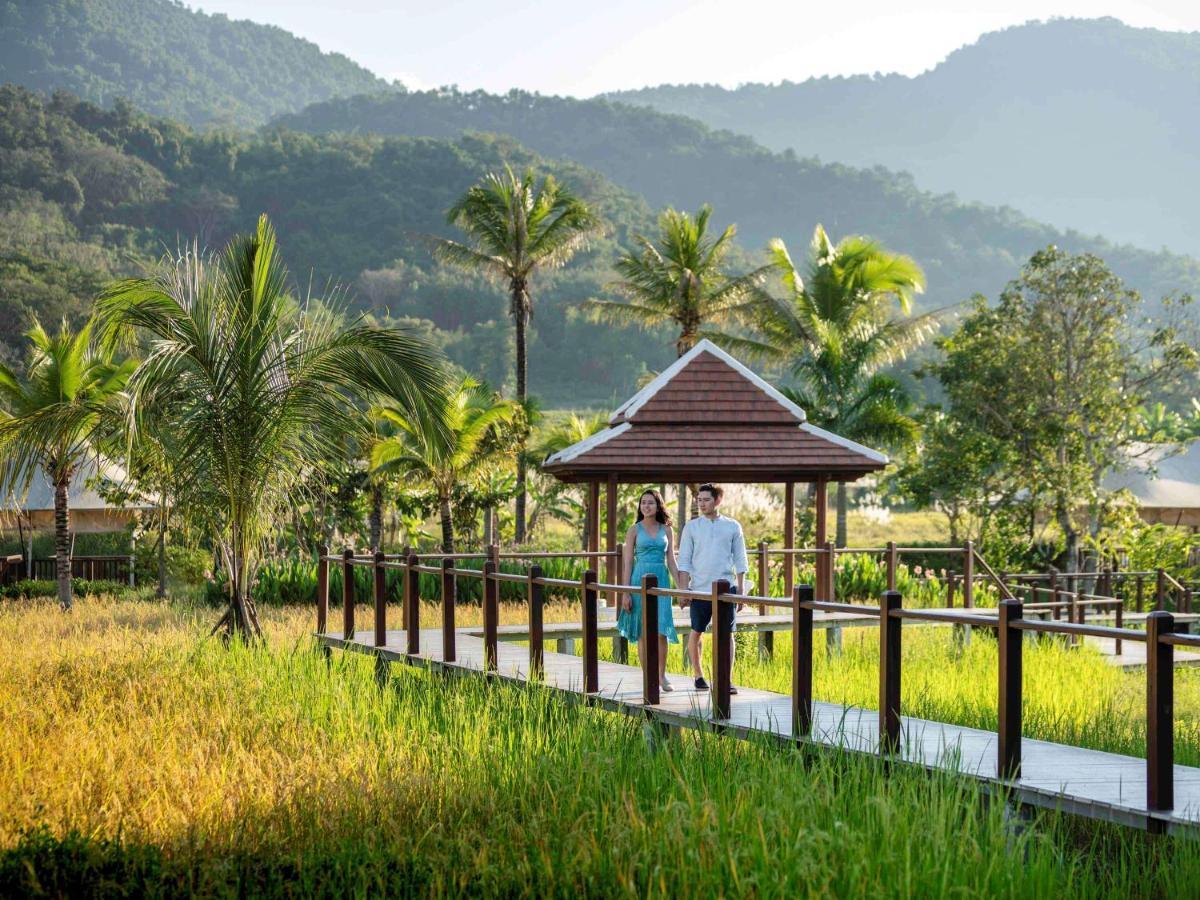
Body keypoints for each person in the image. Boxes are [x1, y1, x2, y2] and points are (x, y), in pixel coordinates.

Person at [675, 483, 747, 692]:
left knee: (727, 634)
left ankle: (726, 679)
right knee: (696, 632)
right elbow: (685, 560)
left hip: (726, 589)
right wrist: (683, 590)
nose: (701, 504)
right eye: (699, 500)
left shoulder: (732, 526)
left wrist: (741, 590)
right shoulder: (692, 527)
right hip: (699, 589)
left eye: (706, 499)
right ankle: (698, 675)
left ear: (717, 500)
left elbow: (741, 559)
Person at [617, 489, 681, 691]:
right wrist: (625, 593)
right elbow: (627, 563)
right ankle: (648, 676)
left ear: (658, 505)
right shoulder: (634, 530)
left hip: (661, 580)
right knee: (644, 632)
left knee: (662, 630)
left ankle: (661, 676)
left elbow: (672, 560)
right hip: (639, 581)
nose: (646, 506)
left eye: (650, 503)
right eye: (643, 502)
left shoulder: (667, 530)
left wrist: (681, 589)